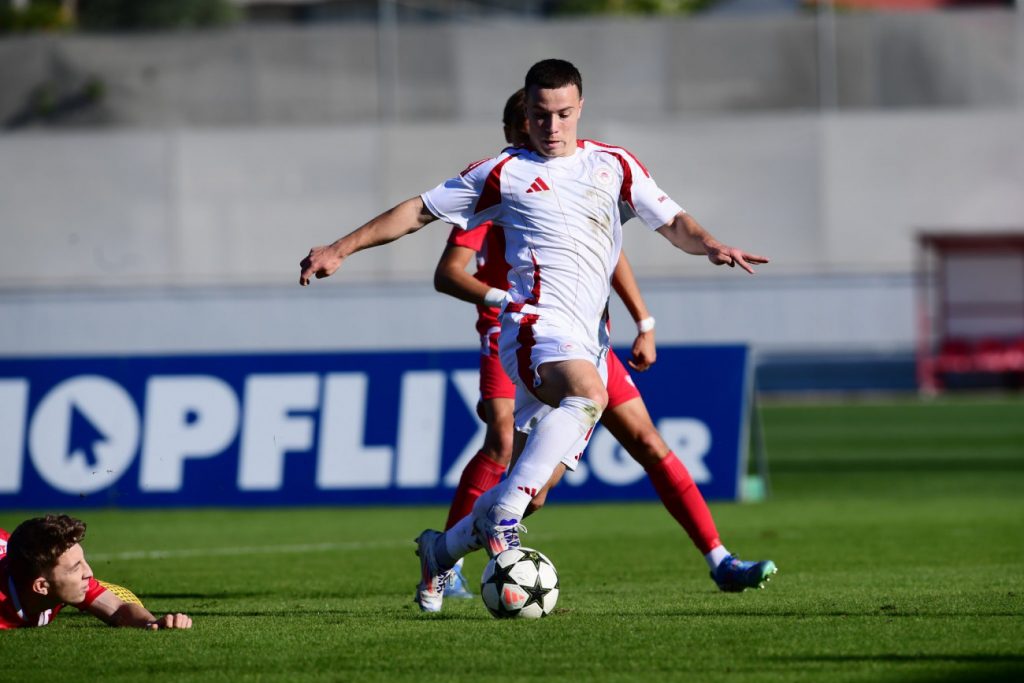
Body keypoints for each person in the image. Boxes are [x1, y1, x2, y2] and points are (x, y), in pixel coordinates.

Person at [299, 59, 771, 613]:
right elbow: (417, 212)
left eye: (563, 114)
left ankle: (440, 551)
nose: (552, 126)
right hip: (534, 329)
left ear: (580, 109)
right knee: (587, 396)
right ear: (526, 112)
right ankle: (503, 519)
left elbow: (673, 223)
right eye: (541, 115)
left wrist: (710, 245)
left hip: (591, 340)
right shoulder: (502, 172)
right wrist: (340, 248)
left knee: (535, 491)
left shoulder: (614, 165)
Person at [432, 89, 776, 608]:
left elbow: (608, 254)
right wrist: (502, 297)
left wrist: (644, 320)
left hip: (586, 340)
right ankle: (451, 565)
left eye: (553, 118)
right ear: (515, 129)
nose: (540, 132)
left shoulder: (580, 176)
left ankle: (720, 559)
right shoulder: (501, 184)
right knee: (502, 442)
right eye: (529, 123)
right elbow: (449, 271)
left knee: (640, 445)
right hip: (520, 333)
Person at [0, 515, 193, 630]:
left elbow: (118, 609)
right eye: (75, 567)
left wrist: (153, 623)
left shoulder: (64, 581)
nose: (89, 573)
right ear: (41, 586)